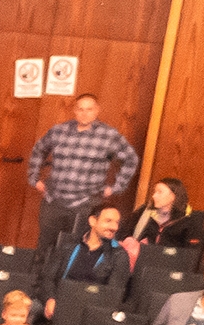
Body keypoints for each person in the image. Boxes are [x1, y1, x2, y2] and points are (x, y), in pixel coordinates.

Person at [24, 93, 138, 279]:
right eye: (80, 109)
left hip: (86, 203)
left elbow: (131, 159)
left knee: (76, 249)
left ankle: (65, 288)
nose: (84, 114)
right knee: (45, 248)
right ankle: (34, 287)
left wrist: (116, 187)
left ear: (97, 111)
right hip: (54, 201)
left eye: (89, 109)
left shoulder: (108, 135)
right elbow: (39, 150)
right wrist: (34, 178)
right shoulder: (59, 131)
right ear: (74, 111)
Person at [46, 203, 130, 300]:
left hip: (90, 305)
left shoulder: (119, 255)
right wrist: (50, 299)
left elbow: (111, 295)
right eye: (108, 221)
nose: (114, 227)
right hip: (58, 299)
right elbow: (48, 279)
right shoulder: (70, 246)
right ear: (93, 221)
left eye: (117, 223)